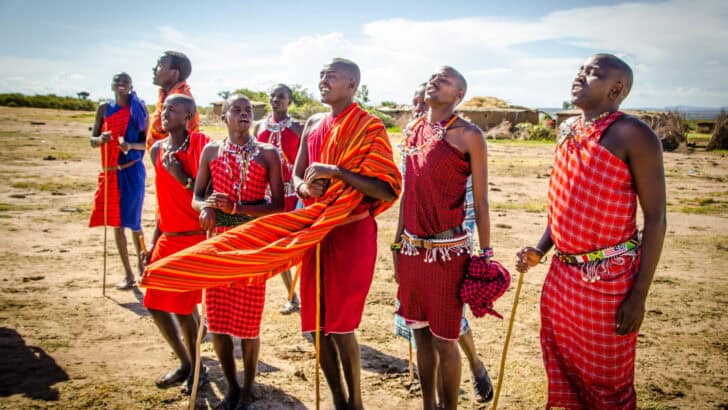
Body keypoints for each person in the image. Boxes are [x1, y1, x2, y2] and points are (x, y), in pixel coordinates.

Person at [516, 53, 666, 409]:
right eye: (580, 69)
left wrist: (638, 296)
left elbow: (656, 217)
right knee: (563, 369)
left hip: (610, 281)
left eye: (592, 73)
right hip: (562, 277)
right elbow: (566, 203)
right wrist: (541, 249)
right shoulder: (569, 130)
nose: (580, 75)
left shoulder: (632, 134)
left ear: (616, 89)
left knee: (607, 386)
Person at [292, 58, 399, 410]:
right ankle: (338, 399)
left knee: (340, 325)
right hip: (316, 232)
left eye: (331, 76)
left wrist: (335, 172)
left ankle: (355, 402)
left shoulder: (369, 126)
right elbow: (297, 177)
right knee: (316, 327)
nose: (323, 80)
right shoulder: (312, 123)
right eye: (321, 74)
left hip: (352, 233)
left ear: (351, 84)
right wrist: (307, 190)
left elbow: (386, 188)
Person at [393, 66, 492, 410]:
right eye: (434, 76)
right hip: (411, 248)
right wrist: (397, 244)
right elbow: (407, 192)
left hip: (448, 253)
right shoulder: (414, 130)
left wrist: (486, 253)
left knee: (445, 340)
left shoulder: (469, 135)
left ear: (458, 95)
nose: (436, 80)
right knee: (419, 335)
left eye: (445, 80)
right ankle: (428, 406)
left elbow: (480, 200)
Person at [194, 95, 284, 409]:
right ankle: (231, 387)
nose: (244, 114)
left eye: (248, 110)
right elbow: (196, 195)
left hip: (252, 243)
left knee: (248, 325)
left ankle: (248, 388)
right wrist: (205, 207)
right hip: (219, 244)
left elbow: (277, 205)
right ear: (224, 116)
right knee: (217, 323)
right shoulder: (211, 151)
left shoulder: (267, 153)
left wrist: (238, 209)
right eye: (237, 109)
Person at [143, 94, 208, 394]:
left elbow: (207, 193)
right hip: (167, 238)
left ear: (189, 116)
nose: (164, 113)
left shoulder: (201, 146)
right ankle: (186, 362)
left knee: (184, 309)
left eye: (172, 109)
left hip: (194, 239)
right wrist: (153, 243)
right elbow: (161, 203)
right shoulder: (156, 151)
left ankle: (198, 369)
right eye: (163, 108)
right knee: (154, 304)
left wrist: (182, 176)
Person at [89, 72, 148, 290]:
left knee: (134, 223)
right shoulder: (104, 108)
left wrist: (130, 146)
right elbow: (92, 140)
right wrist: (101, 139)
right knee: (117, 224)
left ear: (131, 86)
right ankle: (128, 274)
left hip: (132, 171)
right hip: (111, 171)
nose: (121, 85)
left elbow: (146, 143)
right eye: (117, 81)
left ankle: (144, 269)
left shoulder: (138, 110)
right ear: (112, 85)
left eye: (125, 82)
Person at [254, 84, 304, 315]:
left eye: (281, 97)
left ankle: (308, 294)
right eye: (272, 96)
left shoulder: (298, 128)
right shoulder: (258, 127)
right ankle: (292, 297)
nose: (276, 100)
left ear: (289, 101)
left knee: (299, 246)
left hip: (294, 196)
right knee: (277, 247)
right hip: (267, 196)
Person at [147, 51, 200, 151]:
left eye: (160, 65)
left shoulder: (181, 102)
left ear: (174, 73)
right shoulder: (166, 98)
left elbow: (181, 145)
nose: (154, 69)